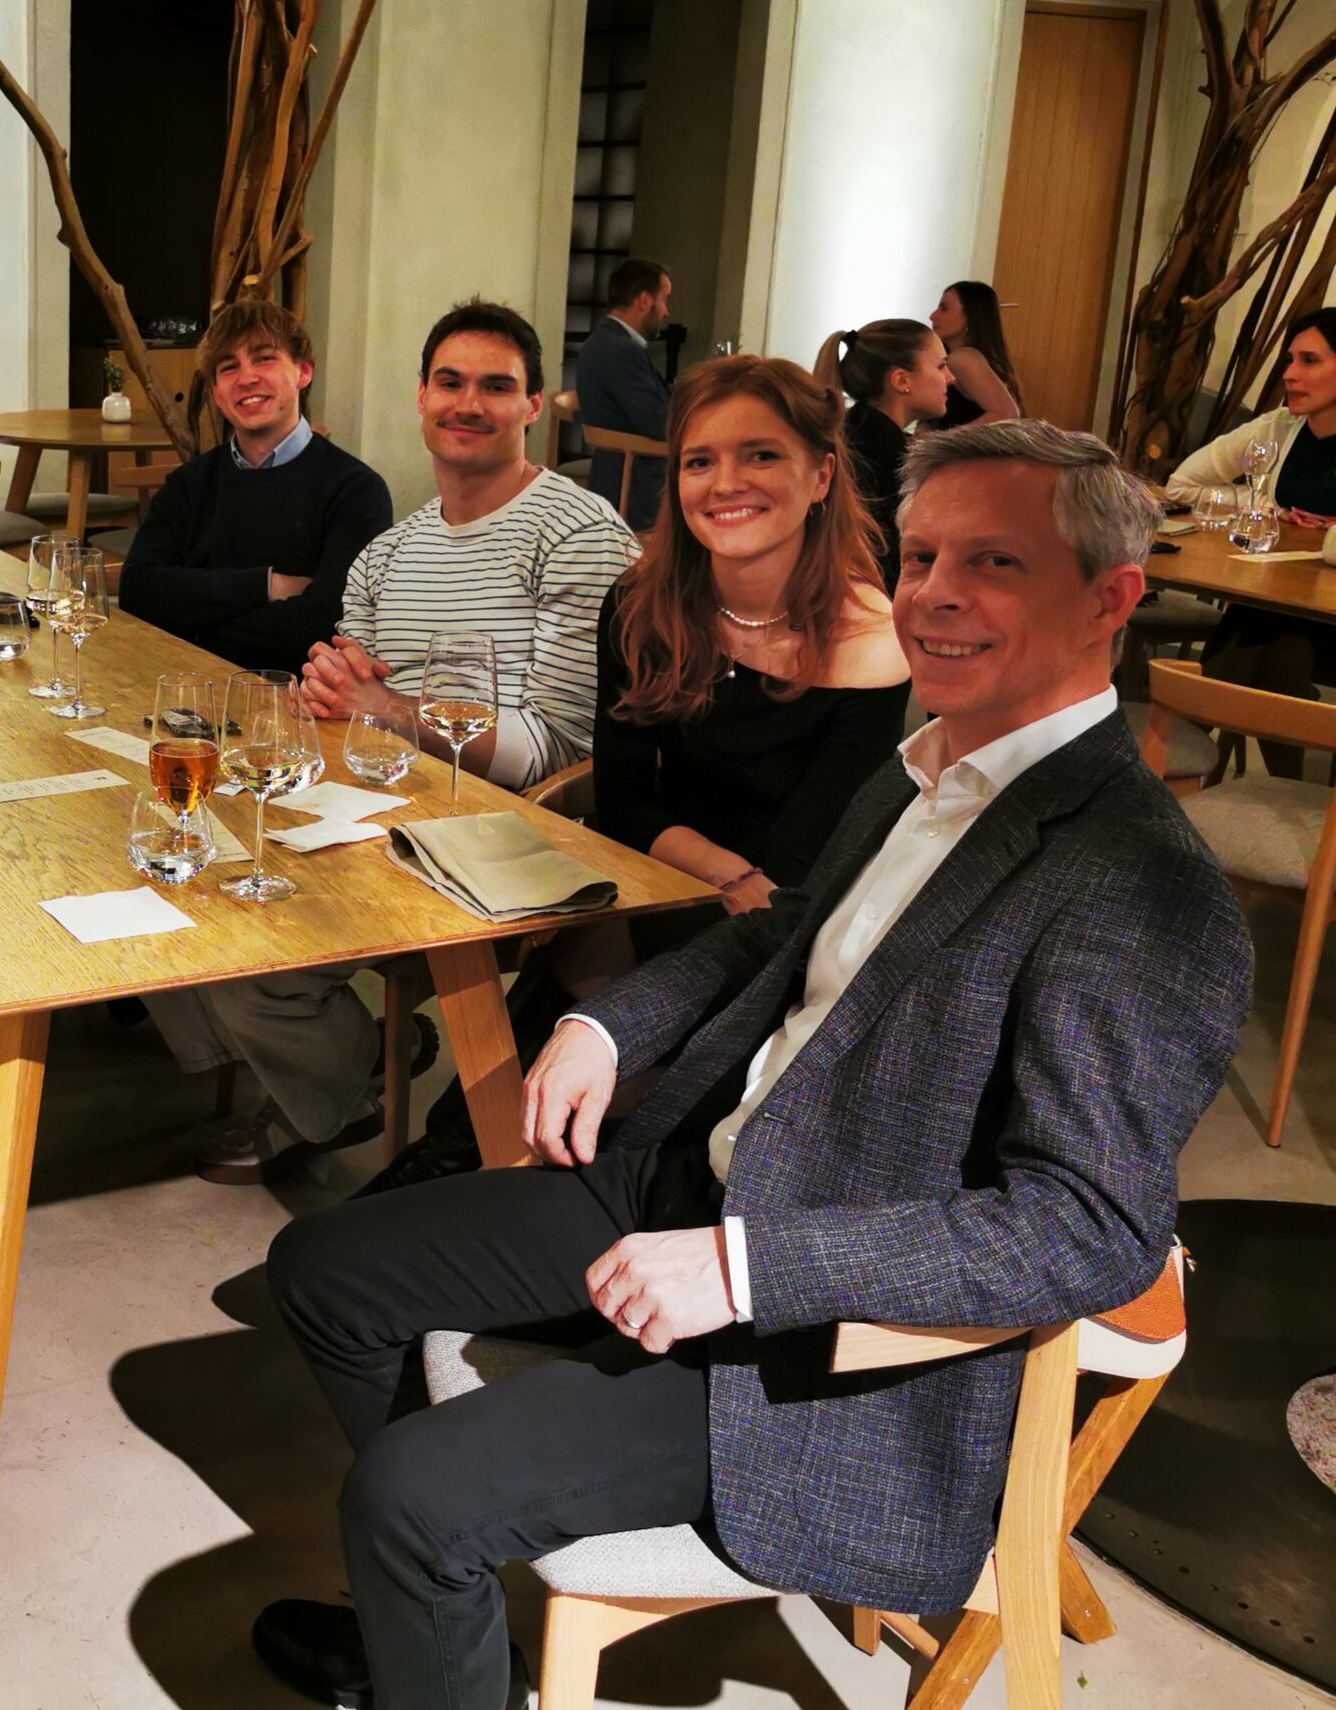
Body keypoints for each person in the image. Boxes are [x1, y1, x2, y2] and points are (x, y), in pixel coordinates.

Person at [248, 416, 1250, 1710]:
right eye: (924, 556)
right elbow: (784, 931)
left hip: (827, 1342)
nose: (935, 594)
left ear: (1111, 599)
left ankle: (425, 1588)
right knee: (324, 1271)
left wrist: (743, 1268)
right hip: (696, 1178)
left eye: (993, 563)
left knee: (405, 1496)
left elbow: (1089, 1231)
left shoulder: (1142, 884)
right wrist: (606, 1025)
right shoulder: (928, 766)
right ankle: (437, 1632)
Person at [361, 355, 913, 1197]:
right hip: (663, 879)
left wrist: (716, 886)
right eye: (699, 461)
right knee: (573, 956)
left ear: (821, 475)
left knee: (590, 1029)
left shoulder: (871, 638)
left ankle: (504, 1176)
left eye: (761, 455)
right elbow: (622, 800)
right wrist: (714, 874)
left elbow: (801, 869)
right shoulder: (643, 601)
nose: (725, 483)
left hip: (790, 929)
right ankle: (464, 1165)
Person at [144, 300, 637, 1183]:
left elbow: (561, 749)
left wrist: (389, 709)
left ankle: (334, 1095)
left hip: (505, 835)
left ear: (533, 405)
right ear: (420, 395)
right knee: (169, 866)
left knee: (252, 949)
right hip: (369, 808)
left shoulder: (578, 533)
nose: (469, 404)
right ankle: (345, 1067)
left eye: (497, 386)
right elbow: (348, 705)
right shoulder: (389, 552)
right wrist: (330, 692)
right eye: (450, 382)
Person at [1170, 302, 1336, 774]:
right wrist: (1267, 506)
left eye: (1309, 361)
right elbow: (1182, 485)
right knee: (1278, 643)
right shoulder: (1280, 427)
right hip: (1290, 601)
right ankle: (1289, 791)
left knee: (1254, 629)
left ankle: (1173, 762)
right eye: (1290, 359)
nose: (1289, 374)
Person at [116, 299, 392, 675]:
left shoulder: (357, 491)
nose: (247, 378)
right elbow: (137, 591)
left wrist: (190, 623)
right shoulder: (188, 484)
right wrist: (266, 586)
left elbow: (323, 627)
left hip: (294, 702)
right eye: (229, 367)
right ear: (217, 393)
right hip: (186, 690)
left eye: (264, 358)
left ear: (303, 372)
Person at [811, 318, 955, 587]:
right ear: (901, 380)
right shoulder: (881, 450)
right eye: (941, 366)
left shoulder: (861, 431)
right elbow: (885, 556)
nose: (950, 377)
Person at [577, 257, 674, 530]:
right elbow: (658, 423)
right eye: (664, 299)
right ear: (644, 301)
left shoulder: (604, 340)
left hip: (613, 470)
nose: (666, 311)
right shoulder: (621, 350)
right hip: (634, 483)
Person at [929, 280, 1024, 427]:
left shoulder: (963, 359)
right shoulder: (973, 356)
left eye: (944, 308)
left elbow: (1006, 414)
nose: (932, 316)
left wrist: (942, 438)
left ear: (971, 316)